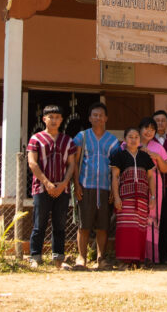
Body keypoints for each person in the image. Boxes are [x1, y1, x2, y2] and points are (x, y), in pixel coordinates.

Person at [26, 105, 77, 269]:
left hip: (63, 189)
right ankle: (35, 257)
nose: (54, 120)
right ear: (44, 119)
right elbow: (32, 162)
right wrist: (46, 183)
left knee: (60, 225)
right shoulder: (36, 139)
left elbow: (71, 164)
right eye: (51, 117)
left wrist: (64, 184)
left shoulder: (68, 141)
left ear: (61, 120)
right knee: (39, 224)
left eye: (57, 117)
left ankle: (58, 259)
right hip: (41, 189)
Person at [71, 102, 119, 269]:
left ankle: (100, 259)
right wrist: (76, 184)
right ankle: (81, 258)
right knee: (84, 225)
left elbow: (116, 168)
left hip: (106, 187)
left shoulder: (113, 141)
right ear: (90, 118)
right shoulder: (81, 137)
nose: (98, 118)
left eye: (101, 115)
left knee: (103, 226)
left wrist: (115, 189)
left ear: (106, 118)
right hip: (86, 186)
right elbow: (75, 163)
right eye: (95, 115)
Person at [110, 127, 158, 266]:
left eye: (136, 137)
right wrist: (117, 197)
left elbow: (150, 178)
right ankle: (124, 260)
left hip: (142, 199)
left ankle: (138, 260)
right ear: (125, 139)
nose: (133, 139)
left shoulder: (145, 157)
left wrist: (153, 197)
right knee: (125, 229)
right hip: (125, 199)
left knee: (139, 228)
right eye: (130, 137)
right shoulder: (119, 155)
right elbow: (115, 177)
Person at [139, 117, 167, 263]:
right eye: (146, 128)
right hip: (136, 184)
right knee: (137, 217)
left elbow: (166, 169)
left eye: (152, 129)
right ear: (140, 129)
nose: (149, 132)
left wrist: (157, 157)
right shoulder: (131, 142)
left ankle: (151, 256)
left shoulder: (157, 146)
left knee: (152, 219)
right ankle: (136, 254)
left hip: (155, 186)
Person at [152, 110, 167, 263]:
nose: (160, 123)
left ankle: (164, 254)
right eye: (157, 120)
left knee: (166, 221)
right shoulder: (148, 139)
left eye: (163, 120)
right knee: (152, 221)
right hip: (152, 186)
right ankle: (151, 254)